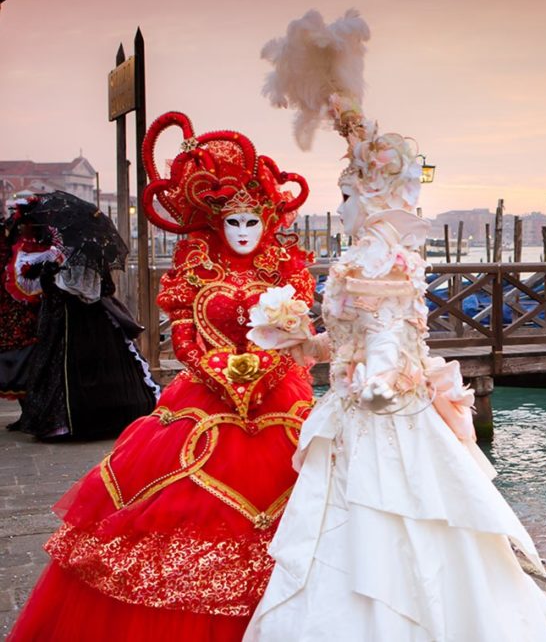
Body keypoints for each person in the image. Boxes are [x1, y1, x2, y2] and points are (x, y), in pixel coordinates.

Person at [243, 10, 546, 641]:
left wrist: (373, 377)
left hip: (382, 421)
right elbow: (355, 342)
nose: (339, 207)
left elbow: (390, 344)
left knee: (397, 530)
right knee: (363, 533)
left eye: (346, 195)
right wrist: (302, 341)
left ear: (371, 194)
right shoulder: (369, 258)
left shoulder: (382, 258)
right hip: (357, 413)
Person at [7, 113, 316, 641]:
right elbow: (186, 336)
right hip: (206, 399)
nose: (242, 233)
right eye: (232, 223)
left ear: (268, 223)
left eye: (252, 223)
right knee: (169, 509)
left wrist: (271, 367)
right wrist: (216, 370)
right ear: (216, 223)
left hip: (277, 398)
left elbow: (298, 336)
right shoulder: (196, 270)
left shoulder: (285, 271)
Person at [5, 192, 159, 440]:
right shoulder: (62, 250)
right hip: (64, 318)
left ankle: (82, 421)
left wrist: (53, 276)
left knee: (79, 367)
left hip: (78, 319)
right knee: (56, 367)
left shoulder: (83, 252)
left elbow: (85, 289)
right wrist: (49, 273)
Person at [0, 215, 39, 405]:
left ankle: (29, 411)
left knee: (24, 361)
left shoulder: (24, 251)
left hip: (21, 311)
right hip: (10, 311)